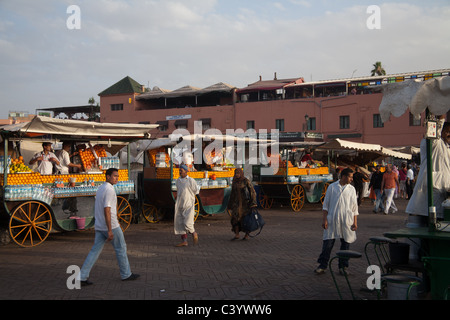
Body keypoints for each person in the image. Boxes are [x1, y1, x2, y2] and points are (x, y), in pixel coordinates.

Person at [79, 168, 139, 286]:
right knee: (121, 248)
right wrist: (110, 229)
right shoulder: (109, 189)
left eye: (117, 176)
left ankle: (82, 276)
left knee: (95, 251)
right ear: (107, 177)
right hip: (111, 225)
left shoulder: (101, 188)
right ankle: (126, 274)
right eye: (114, 176)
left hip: (100, 226)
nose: (116, 178)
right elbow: (107, 209)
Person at [314, 168, 358, 275]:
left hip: (346, 221)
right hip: (332, 220)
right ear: (343, 176)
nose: (351, 179)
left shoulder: (351, 189)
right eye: (350, 177)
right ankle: (323, 265)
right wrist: (324, 219)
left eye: (352, 177)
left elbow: (354, 207)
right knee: (327, 244)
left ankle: (343, 266)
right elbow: (326, 205)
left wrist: (355, 222)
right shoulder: (332, 187)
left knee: (345, 245)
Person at [406, 116, 450, 221]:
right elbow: (434, 134)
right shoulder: (432, 143)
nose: (449, 134)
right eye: (447, 131)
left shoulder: (447, 148)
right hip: (426, 203)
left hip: (443, 201)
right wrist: (440, 118)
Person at [174, 164, 200, 247]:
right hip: (180, 204)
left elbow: (196, 191)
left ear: (186, 171)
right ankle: (184, 241)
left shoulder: (191, 180)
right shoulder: (177, 181)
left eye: (181, 170)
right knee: (180, 223)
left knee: (187, 223)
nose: (180, 171)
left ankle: (194, 233)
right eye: (179, 170)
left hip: (188, 204)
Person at [227, 168, 257, 240]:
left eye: (238, 173)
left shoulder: (246, 181)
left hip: (245, 204)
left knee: (246, 220)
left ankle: (246, 235)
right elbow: (232, 194)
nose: (237, 175)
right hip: (236, 204)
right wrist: (230, 205)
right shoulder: (234, 182)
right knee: (235, 219)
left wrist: (253, 203)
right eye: (236, 173)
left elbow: (252, 192)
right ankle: (237, 234)